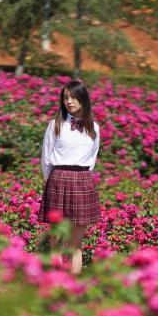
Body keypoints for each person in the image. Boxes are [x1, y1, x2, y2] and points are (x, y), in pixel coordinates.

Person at [39, 80, 102, 275]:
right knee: (56, 242)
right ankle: (55, 283)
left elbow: (92, 157)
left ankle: (74, 286)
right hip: (58, 180)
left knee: (75, 245)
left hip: (83, 181)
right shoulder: (55, 124)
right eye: (65, 97)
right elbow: (46, 156)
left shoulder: (93, 127)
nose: (69, 101)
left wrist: (81, 175)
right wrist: (50, 179)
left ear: (83, 99)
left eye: (73, 97)